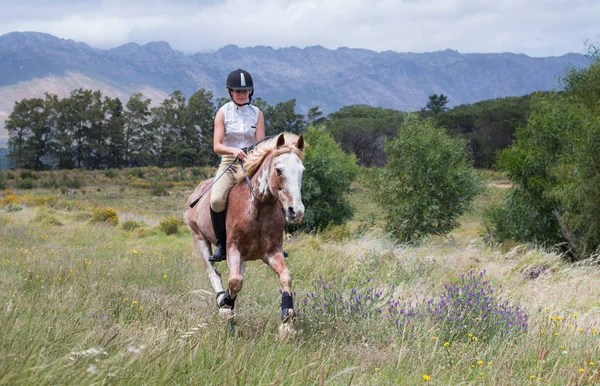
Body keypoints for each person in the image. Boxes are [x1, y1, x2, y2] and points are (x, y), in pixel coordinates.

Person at [209, 69, 265, 262]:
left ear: (250, 92)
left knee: (272, 191)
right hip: (229, 162)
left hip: (251, 162)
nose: (242, 95)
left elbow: (261, 144)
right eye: (237, 91)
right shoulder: (222, 113)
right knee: (216, 200)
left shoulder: (257, 114)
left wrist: (252, 155)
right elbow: (217, 146)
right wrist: (233, 151)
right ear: (230, 92)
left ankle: (274, 241)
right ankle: (221, 245)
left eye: (245, 91)